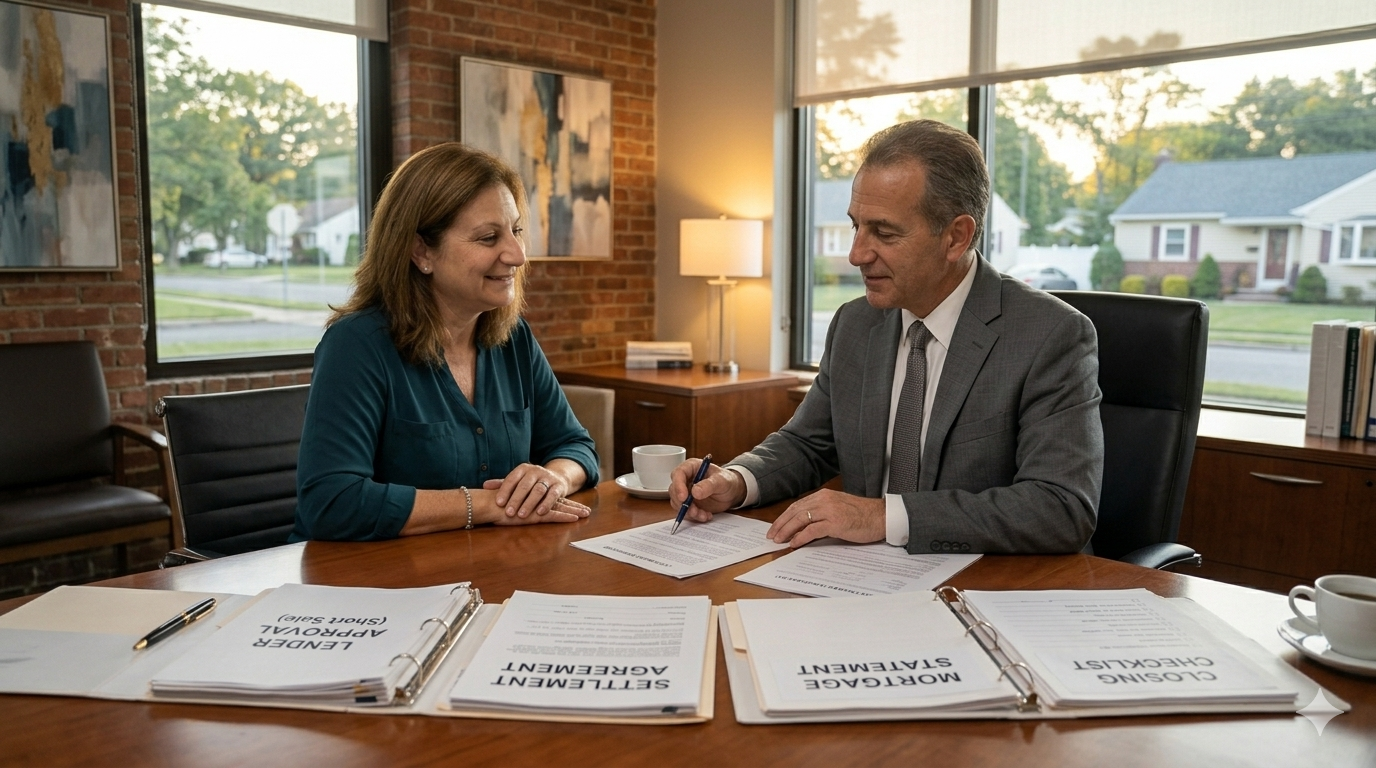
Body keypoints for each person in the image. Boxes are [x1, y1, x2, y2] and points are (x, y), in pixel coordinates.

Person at [669, 120, 1103, 554]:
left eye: (884, 232)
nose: (857, 253)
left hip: (987, 590)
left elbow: (1061, 506)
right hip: (858, 581)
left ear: (956, 237)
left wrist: (883, 516)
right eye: (856, 226)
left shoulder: (1050, 335)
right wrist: (735, 480)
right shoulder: (855, 323)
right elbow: (808, 444)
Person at [293, 143, 598, 541]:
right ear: (421, 251)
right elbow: (332, 503)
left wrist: (552, 480)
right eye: (489, 237)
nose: (518, 255)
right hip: (372, 589)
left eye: (516, 230)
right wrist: (488, 505)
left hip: (484, 571)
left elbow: (576, 446)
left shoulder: (514, 337)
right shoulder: (357, 344)